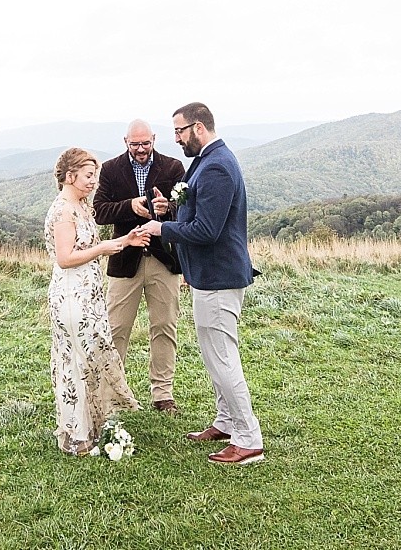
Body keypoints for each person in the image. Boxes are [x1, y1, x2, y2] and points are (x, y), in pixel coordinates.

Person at [141, 102, 264, 466]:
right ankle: (225, 422)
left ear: (198, 127)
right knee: (214, 356)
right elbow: (199, 212)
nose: (176, 139)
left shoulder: (218, 167)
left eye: (179, 131)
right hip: (206, 277)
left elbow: (208, 231)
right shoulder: (207, 161)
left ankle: (248, 438)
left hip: (219, 276)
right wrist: (171, 210)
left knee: (223, 357)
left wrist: (160, 228)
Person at [46, 147, 149, 455]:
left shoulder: (81, 205)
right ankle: (76, 434)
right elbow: (66, 258)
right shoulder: (63, 210)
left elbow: (95, 244)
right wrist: (104, 248)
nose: (93, 182)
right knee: (76, 359)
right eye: (89, 176)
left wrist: (124, 241)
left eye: (95, 176)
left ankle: (90, 424)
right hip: (70, 295)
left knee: (90, 356)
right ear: (70, 176)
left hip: (90, 293)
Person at [94, 120, 187, 414]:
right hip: (124, 261)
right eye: (135, 144)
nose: (141, 149)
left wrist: (167, 209)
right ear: (125, 142)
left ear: (154, 139)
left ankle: (163, 395)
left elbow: (187, 210)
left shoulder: (173, 168)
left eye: (145, 143)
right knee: (116, 329)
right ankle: (112, 396)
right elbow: (98, 211)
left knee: (164, 326)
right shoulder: (109, 170)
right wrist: (129, 206)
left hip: (164, 260)